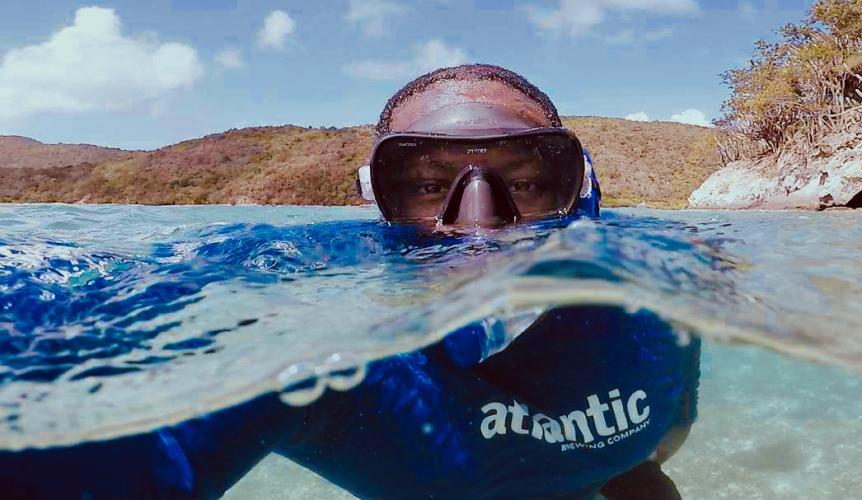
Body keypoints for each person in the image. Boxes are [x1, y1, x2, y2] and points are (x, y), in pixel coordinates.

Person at [0, 64, 698, 499]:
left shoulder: (664, 291)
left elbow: (661, 438)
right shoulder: (320, 352)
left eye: (526, 180)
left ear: (580, 191)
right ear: (377, 200)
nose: (480, 228)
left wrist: (631, 471)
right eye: (426, 185)